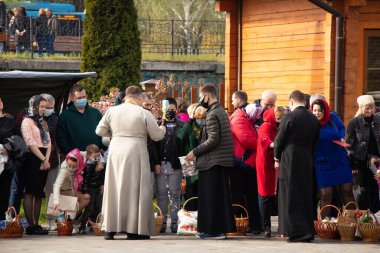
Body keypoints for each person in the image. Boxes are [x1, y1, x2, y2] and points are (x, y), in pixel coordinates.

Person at [96, 86, 166, 240]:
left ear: (126, 97)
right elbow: (156, 136)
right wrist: (163, 129)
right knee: (135, 189)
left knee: (114, 187)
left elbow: (99, 131)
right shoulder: (143, 113)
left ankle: (110, 228)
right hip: (136, 151)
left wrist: (115, 134)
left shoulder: (112, 111)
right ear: (139, 98)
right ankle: (134, 229)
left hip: (116, 150)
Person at [185, 84, 235, 240]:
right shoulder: (220, 111)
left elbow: (213, 139)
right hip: (220, 161)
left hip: (212, 161)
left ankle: (213, 231)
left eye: (201, 97)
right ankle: (220, 230)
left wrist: (195, 151)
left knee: (211, 198)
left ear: (207, 96)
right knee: (219, 198)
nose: (200, 100)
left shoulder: (213, 114)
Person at [274, 90, 320, 242]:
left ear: (291, 101)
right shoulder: (313, 119)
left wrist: (276, 157)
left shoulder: (289, 116)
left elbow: (279, 139)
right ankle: (307, 230)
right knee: (305, 193)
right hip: (307, 157)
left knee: (290, 192)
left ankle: (295, 231)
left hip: (290, 157)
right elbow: (316, 141)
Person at [311, 99, 355, 216]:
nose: (316, 113)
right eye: (314, 110)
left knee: (347, 190)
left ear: (325, 111)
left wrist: (341, 137)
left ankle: (352, 222)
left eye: (320, 110)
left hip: (339, 159)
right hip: (322, 162)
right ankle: (326, 225)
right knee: (326, 194)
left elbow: (341, 128)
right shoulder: (310, 122)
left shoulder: (333, 117)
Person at [230, 91, 263, 234]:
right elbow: (247, 140)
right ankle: (242, 224)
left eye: (232, 100)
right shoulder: (240, 118)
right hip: (243, 162)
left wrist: (259, 143)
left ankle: (247, 225)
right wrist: (263, 144)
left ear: (238, 100)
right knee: (243, 196)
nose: (231, 102)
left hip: (244, 162)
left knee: (245, 196)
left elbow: (247, 140)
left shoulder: (240, 118)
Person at [21, 95, 51, 235]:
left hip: (44, 157)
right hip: (33, 158)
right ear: (34, 106)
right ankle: (30, 225)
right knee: (30, 191)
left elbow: (49, 142)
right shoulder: (27, 121)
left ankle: (37, 224)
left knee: (39, 192)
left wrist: (46, 160)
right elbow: (30, 142)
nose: (43, 109)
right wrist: (43, 159)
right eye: (41, 106)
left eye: (45, 107)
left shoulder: (42, 122)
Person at [256, 106, 288, 237]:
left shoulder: (280, 126)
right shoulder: (265, 126)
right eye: (279, 118)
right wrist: (281, 144)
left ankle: (281, 226)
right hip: (265, 164)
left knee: (277, 195)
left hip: (277, 162)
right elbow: (267, 142)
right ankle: (266, 227)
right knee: (265, 195)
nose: (281, 120)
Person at [346, 95, 380, 213]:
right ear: (361, 108)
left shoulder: (378, 120)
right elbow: (349, 145)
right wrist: (352, 165)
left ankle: (376, 220)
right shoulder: (354, 123)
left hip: (377, 161)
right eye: (367, 108)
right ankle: (364, 219)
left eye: (372, 108)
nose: (370, 111)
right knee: (363, 191)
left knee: (376, 190)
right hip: (361, 162)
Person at [156, 97, 184, 233]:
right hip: (161, 163)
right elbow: (154, 147)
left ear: (177, 110)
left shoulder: (182, 126)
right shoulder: (157, 125)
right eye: (167, 110)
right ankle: (161, 221)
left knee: (174, 193)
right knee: (161, 194)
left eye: (172, 110)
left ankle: (174, 221)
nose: (170, 112)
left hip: (175, 165)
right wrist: (156, 163)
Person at [57, 85, 104, 156]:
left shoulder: (96, 113)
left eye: (84, 97)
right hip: (76, 159)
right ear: (71, 98)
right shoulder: (64, 116)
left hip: (96, 156)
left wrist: (102, 148)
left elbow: (103, 132)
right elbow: (61, 139)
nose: (82, 99)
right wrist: (71, 154)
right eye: (79, 98)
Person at [177, 104, 207, 211]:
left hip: (203, 160)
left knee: (201, 190)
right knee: (190, 190)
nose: (200, 120)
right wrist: (190, 120)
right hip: (188, 161)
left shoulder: (206, 126)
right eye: (197, 117)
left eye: (202, 117)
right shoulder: (189, 126)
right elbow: (180, 136)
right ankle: (191, 215)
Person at [39, 93, 60, 230]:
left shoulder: (54, 118)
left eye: (50, 107)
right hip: (35, 159)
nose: (47, 110)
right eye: (45, 107)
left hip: (51, 159)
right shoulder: (31, 117)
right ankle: (31, 221)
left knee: (51, 190)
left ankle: (52, 219)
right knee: (33, 191)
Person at [52, 149, 90, 218]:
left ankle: (70, 219)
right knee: (84, 199)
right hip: (64, 190)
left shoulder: (81, 155)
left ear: (78, 162)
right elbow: (57, 185)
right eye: (69, 165)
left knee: (85, 199)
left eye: (74, 166)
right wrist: (56, 201)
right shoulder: (64, 169)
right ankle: (68, 219)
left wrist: (101, 162)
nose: (71, 168)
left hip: (74, 189)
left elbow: (93, 151)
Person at [77, 144, 105, 233]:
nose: (96, 158)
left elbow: (103, 175)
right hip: (90, 188)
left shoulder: (100, 162)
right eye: (94, 156)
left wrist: (103, 184)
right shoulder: (87, 165)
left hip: (99, 188)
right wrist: (85, 191)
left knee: (99, 207)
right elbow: (85, 179)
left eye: (98, 155)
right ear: (88, 155)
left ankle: (93, 225)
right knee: (89, 209)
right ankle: (82, 226)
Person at [0, 98, 19, 220]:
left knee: (3, 192)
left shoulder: (10, 121)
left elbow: (18, 138)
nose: (0, 102)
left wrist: (8, 147)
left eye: (1, 100)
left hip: (6, 162)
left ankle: (1, 221)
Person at [141, 93, 160, 196]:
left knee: (148, 193)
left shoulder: (151, 118)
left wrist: (156, 163)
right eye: (146, 105)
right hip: (138, 160)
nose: (149, 107)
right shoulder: (138, 117)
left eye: (151, 105)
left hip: (150, 161)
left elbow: (154, 143)